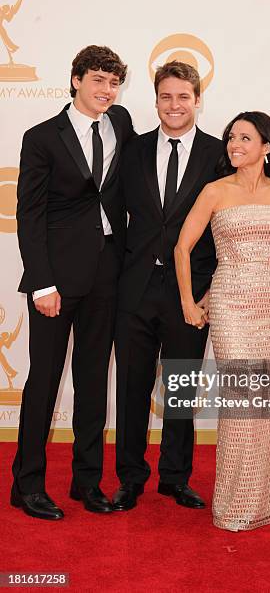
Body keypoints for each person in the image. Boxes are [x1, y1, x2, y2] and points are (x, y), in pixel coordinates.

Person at [175, 111, 270, 531]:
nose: (234, 145)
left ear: (266, 147)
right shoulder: (215, 191)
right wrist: (188, 301)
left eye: (244, 138)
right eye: (230, 138)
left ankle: (269, 503)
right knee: (240, 407)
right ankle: (234, 506)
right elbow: (183, 248)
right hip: (232, 304)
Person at [11, 45, 135, 520]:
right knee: (43, 383)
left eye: (114, 82)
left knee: (91, 382)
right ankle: (27, 485)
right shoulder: (41, 137)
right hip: (56, 280)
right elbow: (30, 214)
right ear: (77, 80)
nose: (107, 90)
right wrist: (41, 283)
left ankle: (87, 482)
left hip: (108, 273)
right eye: (99, 80)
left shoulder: (120, 123)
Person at [112, 61, 223, 512]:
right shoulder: (131, 150)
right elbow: (116, 219)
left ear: (198, 99)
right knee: (132, 388)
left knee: (181, 387)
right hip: (135, 288)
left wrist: (211, 289)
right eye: (165, 97)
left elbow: (225, 228)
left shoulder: (219, 154)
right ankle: (130, 478)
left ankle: (175, 477)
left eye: (183, 96)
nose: (174, 105)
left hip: (191, 292)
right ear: (155, 100)